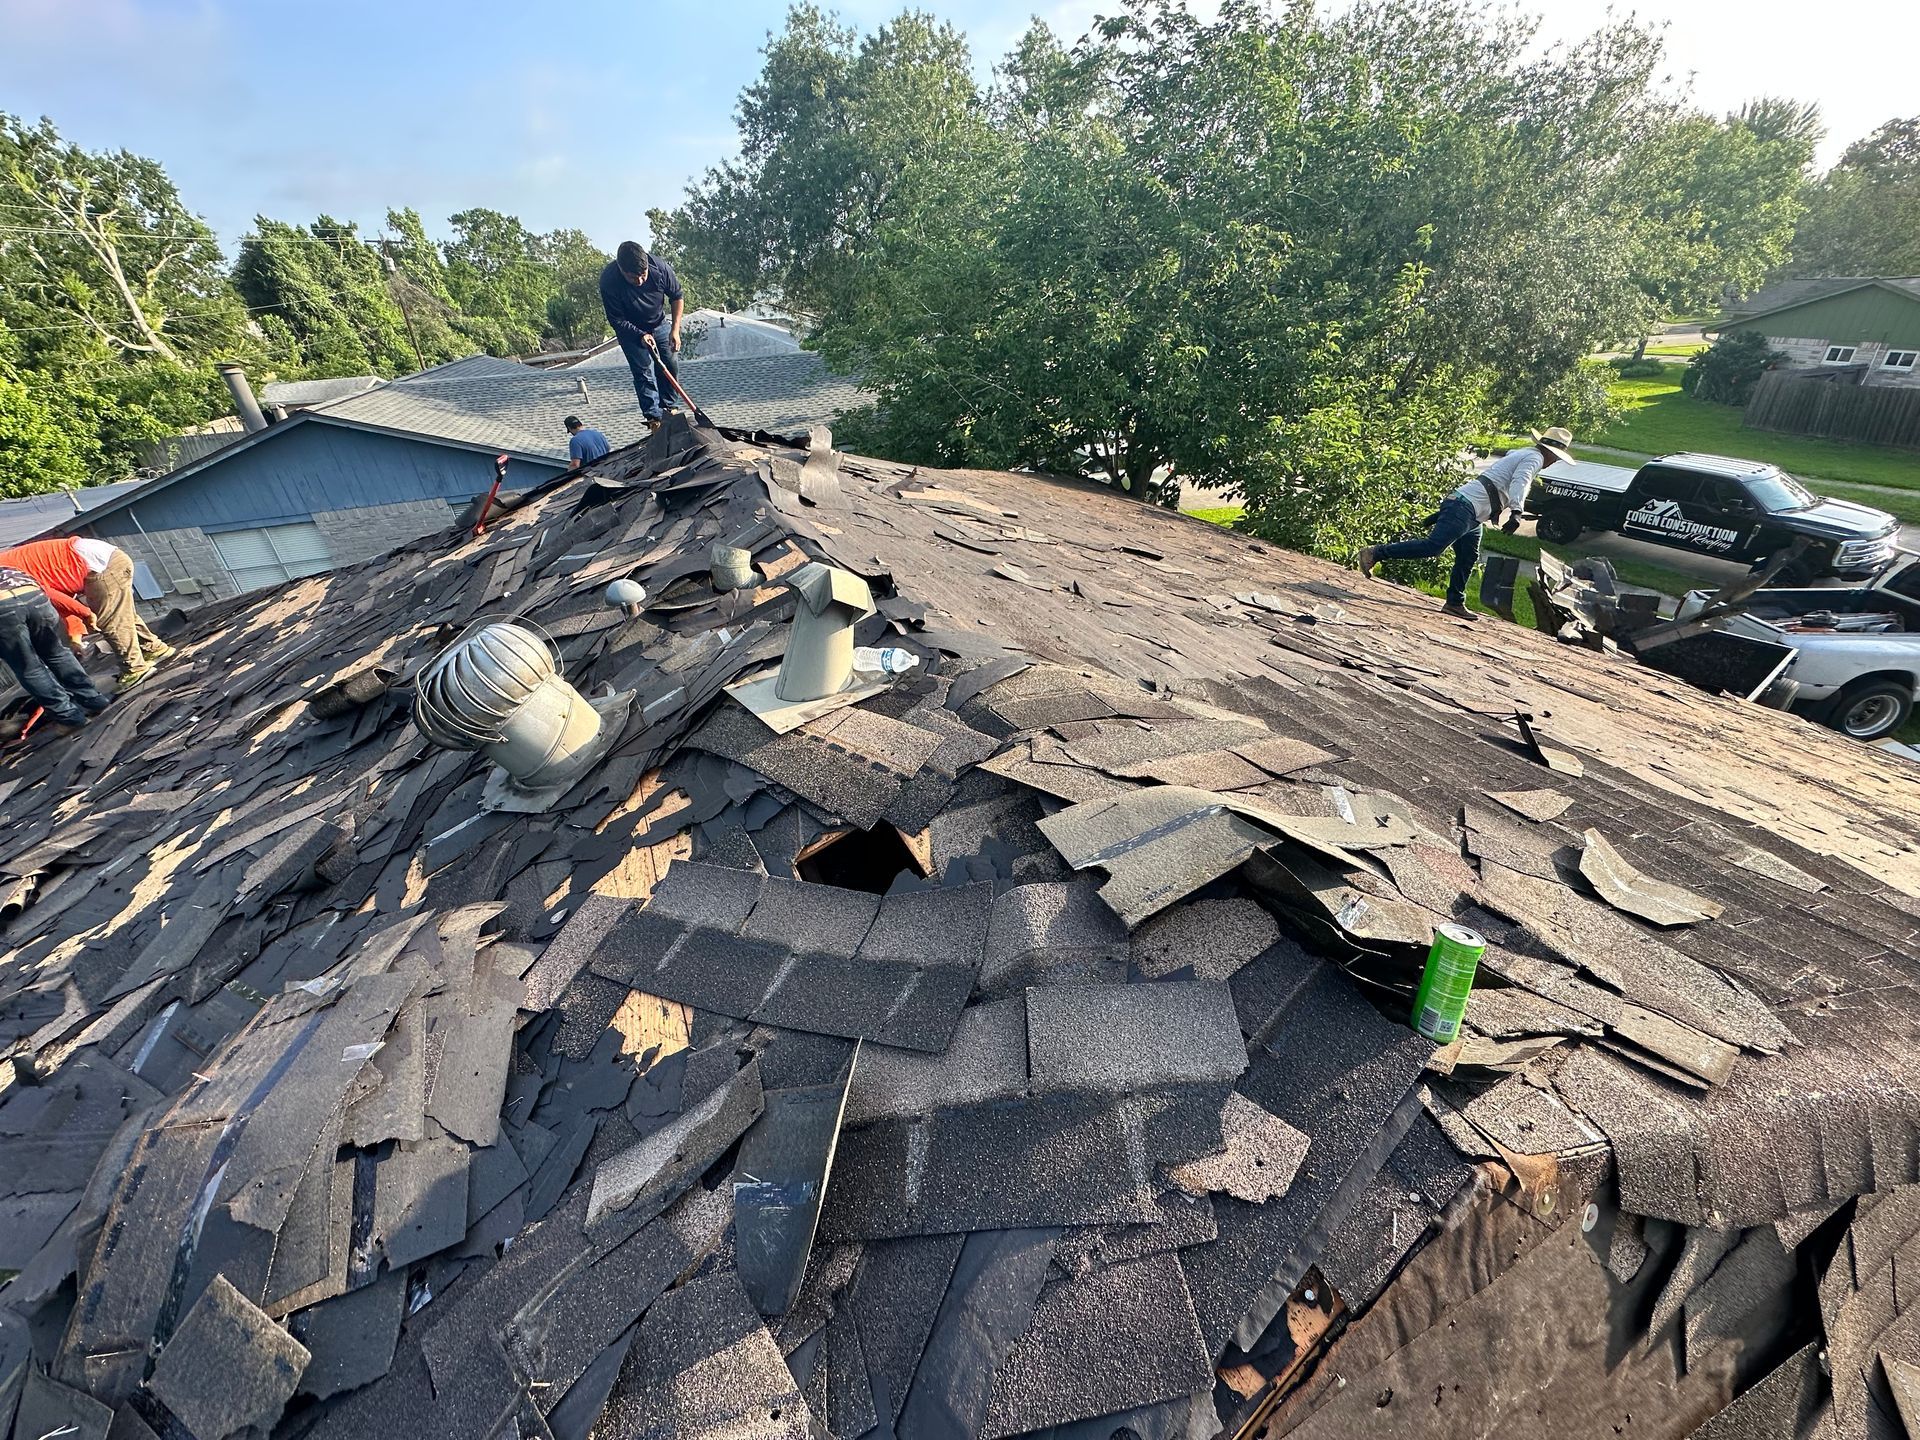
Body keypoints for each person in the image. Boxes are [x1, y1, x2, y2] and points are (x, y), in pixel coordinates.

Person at [1356, 427, 1576, 620]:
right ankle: (1375, 553)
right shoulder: (1534, 458)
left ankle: (1454, 603)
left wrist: (1497, 509)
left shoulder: (1523, 453)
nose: (1554, 461)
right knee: (1433, 546)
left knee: (1468, 556)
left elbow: (1500, 480)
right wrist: (1517, 511)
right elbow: (1521, 481)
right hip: (1465, 508)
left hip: (1470, 511)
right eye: (1556, 457)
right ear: (1550, 452)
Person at [0, 536, 174, 688]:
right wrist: (75, 637)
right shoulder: (8, 564)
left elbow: (48, 595)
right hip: (102, 559)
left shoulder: (4, 573)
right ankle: (154, 648)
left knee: (109, 621)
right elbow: (62, 603)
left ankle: (135, 669)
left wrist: (86, 614)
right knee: (120, 614)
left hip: (101, 565)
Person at [0, 563, 112, 734]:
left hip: (4, 609)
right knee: (57, 654)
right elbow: (50, 592)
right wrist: (84, 613)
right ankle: (94, 700)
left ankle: (69, 718)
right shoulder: (6, 566)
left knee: (29, 668)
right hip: (34, 594)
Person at [598, 240, 684, 426]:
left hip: (659, 324)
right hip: (630, 331)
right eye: (633, 278)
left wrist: (675, 330)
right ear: (621, 269)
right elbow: (616, 320)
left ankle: (669, 407)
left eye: (643, 275)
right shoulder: (609, 281)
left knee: (669, 363)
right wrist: (640, 335)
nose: (639, 281)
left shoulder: (660, 267)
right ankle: (654, 417)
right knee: (643, 371)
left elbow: (677, 296)